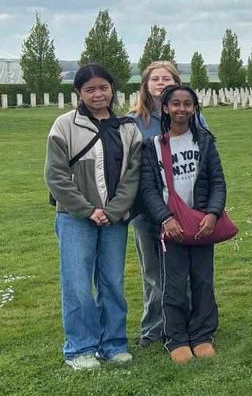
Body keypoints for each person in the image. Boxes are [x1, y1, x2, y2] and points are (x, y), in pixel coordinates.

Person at [45, 64, 142, 370]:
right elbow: (56, 176)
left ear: (112, 89)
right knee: (77, 284)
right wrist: (87, 210)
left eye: (103, 88)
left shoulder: (128, 128)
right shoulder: (64, 125)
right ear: (79, 92)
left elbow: (133, 176)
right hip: (75, 218)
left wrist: (112, 211)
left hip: (114, 219)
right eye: (90, 89)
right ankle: (80, 348)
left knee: (112, 282)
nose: (98, 94)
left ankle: (113, 343)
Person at [139, 84, 229, 363]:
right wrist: (165, 218)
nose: (181, 108)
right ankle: (176, 338)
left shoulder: (205, 142)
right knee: (174, 283)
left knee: (203, 280)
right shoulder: (153, 146)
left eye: (187, 104)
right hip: (171, 227)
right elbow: (148, 189)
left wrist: (212, 213)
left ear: (194, 108)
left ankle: (202, 335)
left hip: (202, 224)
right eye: (175, 104)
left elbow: (218, 181)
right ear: (165, 108)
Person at [128, 60, 208, 347]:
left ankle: (185, 325)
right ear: (145, 84)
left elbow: (204, 159)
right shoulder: (133, 121)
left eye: (167, 79)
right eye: (155, 79)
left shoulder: (195, 119)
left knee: (184, 271)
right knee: (153, 272)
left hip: (185, 208)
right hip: (146, 208)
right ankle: (153, 328)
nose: (161, 83)